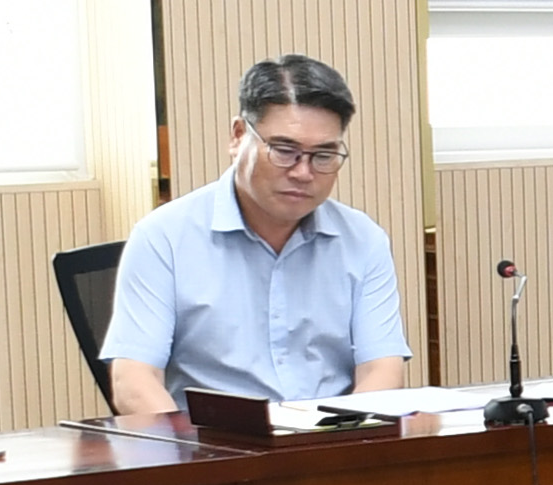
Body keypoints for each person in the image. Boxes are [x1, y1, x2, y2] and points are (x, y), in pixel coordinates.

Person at [103, 56, 411, 422]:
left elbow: (383, 371)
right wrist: (194, 456)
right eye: (284, 150)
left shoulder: (363, 240)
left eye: (324, 155)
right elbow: (133, 381)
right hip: (217, 452)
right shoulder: (163, 237)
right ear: (238, 136)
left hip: (329, 445)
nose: (303, 172)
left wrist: (338, 441)